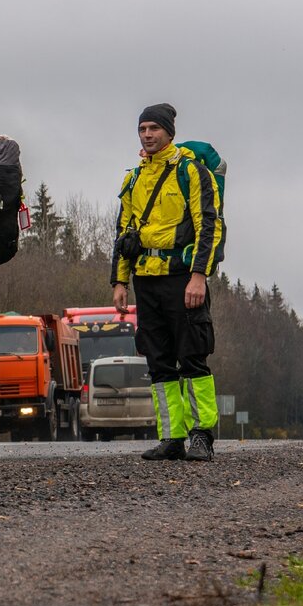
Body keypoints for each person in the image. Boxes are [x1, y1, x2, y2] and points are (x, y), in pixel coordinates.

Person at [111, 103, 224, 461]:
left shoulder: (191, 172)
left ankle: (202, 435)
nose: (147, 134)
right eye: (142, 129)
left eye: (154, 128)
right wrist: (119, 281)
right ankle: (172, 436)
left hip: (182, 278)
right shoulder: (133, 178)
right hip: (146, 280)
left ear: (169, 132)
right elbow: (124, 232)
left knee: (193, 357)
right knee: (159, 362)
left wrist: (198, 276)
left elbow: (209, 225)